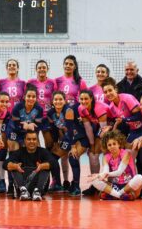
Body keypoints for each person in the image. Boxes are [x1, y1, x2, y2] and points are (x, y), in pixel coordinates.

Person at [102, 77, 142, 199]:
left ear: (115, 89)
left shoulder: (127, 98)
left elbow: (140, 116)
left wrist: (125, 120)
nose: (108, 93)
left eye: (110, 90)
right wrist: (110, 128)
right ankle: (129, 186)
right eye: (105, 92)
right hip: (133, 132)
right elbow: (118, 123)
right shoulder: (111, 107)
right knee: (129, 158)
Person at [55, 55, 88, 190]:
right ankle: (64, 181)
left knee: (73, 152)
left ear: (74, 66)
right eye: (66, 63)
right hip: (60, 120)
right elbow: (54, 98)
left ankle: (75, 183)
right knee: (62, 151)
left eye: (70, 64)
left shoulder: (80, 81)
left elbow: (85, 101)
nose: (68, 65)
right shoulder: (57, 81)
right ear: (63, 65)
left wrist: (82, 115)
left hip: (75, 121)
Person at [47, 91, 89, 196]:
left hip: (80, 137)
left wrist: (73, 146)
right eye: (55, 99)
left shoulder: (69, 110)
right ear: (52, 101)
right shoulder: (50, 113)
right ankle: (57, 183)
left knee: (73, 157)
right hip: (68, 138)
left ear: (65, 100)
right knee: (52, 158)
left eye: (60, 99)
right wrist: (56, 142)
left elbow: (71, 130)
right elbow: (55, 129)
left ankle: (76, 186)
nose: (58, 101)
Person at [0, 59, 26, 193]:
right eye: (9, 65)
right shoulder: (0, 82)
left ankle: (16, 180)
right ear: (6, 68)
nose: (11, 67)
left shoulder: (23, 84)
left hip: (17, 121)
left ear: (18, 68)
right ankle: (2, 180)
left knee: (16, 149)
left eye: (14, 65)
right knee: (3, 147)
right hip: (3, 119)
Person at [78, 90, 114, 196]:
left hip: (110, 125)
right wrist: (92, 144)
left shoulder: (99, 107)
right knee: (92, 154)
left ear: (91, 99)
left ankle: (112, 183)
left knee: (105, 152)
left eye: (86, 99)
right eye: (81, 99)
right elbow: (88, 128)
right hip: (98, 127)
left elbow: (103, 131)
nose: (83, 101)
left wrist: (96, 145)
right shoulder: (81, 108)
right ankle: (95, 185)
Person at [90, 130, 142, 201]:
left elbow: (119, 172)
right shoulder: (106, 157)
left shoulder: (126, 154)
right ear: (107, 147)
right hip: (115, 186)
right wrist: (99, 175)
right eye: (109, 145)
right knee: (94, 180)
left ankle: (115, 195)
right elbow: (105, 171)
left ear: (119, 144)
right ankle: (120, 196)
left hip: (128, 185)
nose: (112, 146)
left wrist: (103, 174)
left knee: (140, 178)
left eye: (114, 144)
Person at [3, 130, 57, 201]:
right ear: (24, 141)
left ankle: (37, 191)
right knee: (14, 166)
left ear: (37, 141)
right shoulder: (19, 152)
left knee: (46, 166)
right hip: (23, 186)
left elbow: (55, 163)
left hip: (39, 187)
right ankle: (23, 191)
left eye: (34, 139)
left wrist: (42, 166)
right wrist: (15, 166)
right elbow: (5, 164)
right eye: (29, 139)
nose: (31, 141)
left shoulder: (43, 152)